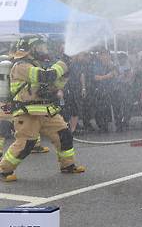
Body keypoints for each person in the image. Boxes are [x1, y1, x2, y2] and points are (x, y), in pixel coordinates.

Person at [0, 35, 85, 182]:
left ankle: (68, 165)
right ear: (29, 49)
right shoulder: (21, 66)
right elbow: (46, 76)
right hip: (27, 113)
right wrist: (63, 62)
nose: (43, 50)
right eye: (39, 47)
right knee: (26, 144)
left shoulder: (35, 65)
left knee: (64, 135)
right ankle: (4, 169)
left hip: (46, 111)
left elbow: (53, 86)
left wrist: (65, 75)